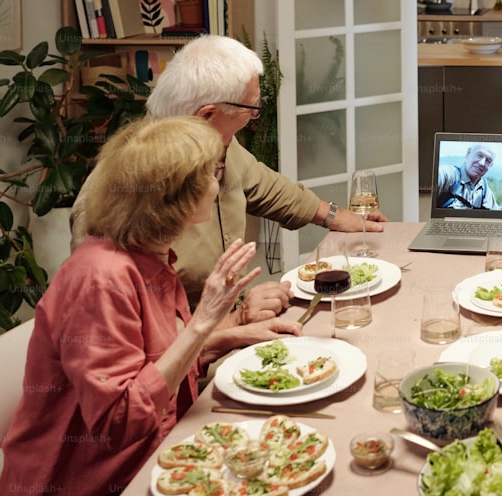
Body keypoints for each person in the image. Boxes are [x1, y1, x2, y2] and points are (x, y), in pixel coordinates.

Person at [0, 117, 264, 496]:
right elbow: (120, 421)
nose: (218, 183)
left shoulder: (150, 259)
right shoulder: (101, 278)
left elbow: (157, 368)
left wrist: (231, 332)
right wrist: (204, 321)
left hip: (151, 472)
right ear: (177, 198)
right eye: (211, 174)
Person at [72, 35, 386, 345]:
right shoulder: (115, 199)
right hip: (186, 360)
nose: (254, 118)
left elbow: (264, 184)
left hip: (221, 331)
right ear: (207, 116)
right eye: (251, 109)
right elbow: (132, 345)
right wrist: (234, 322)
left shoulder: (216, 142)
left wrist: (333, 216)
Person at [436, 142, 499, 209]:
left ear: (491, 166)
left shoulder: (485, 190)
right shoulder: (449, 175)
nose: (482, 163)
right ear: (468, 153)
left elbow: (496, 214)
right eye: (479, 155)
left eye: (488, 161)